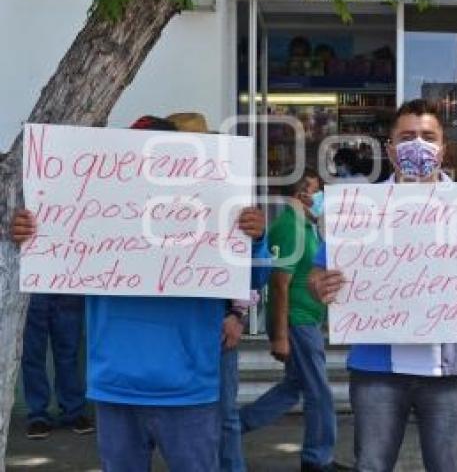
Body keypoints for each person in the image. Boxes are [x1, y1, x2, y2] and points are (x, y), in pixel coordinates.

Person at [11, 115, 272, 472]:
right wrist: (26, 236)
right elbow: (47, 264)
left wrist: (254, 240)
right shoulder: (92, 213)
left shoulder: (213, 209)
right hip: (116, 387)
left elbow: (255, 280)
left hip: (188, 388)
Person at [309, 98, 457, 472]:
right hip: (377, 366)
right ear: (391, 149)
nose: (418, 144)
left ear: (443, 147)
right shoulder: (360, 208)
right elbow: (317, 274)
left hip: (450, 368)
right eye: (408, 136)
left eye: (428, 136)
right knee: (372, 465)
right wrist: (321, 285)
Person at [166, 111, 266, 472]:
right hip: (164, 332)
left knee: (224, 417)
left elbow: (255, 271)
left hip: (216, 329)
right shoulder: (149, 200)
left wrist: (236, 315)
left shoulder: (230, 196)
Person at [239, 168, 347, 472]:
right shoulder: (290, 227)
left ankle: (231, 427)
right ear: (302, 193)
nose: (321, 197)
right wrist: (280, 335)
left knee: (295, 387)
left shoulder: (305, 226)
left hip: (306, 320)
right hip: (297, 322)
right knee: (319, 392)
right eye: (318, 190)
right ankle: (318, 459)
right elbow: (279, 282)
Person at [21, 293, 93, 439]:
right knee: (32, 357)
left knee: (68, 354)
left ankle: (73, 412)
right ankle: (37, 415)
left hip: (68, 288)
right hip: (31, 291)